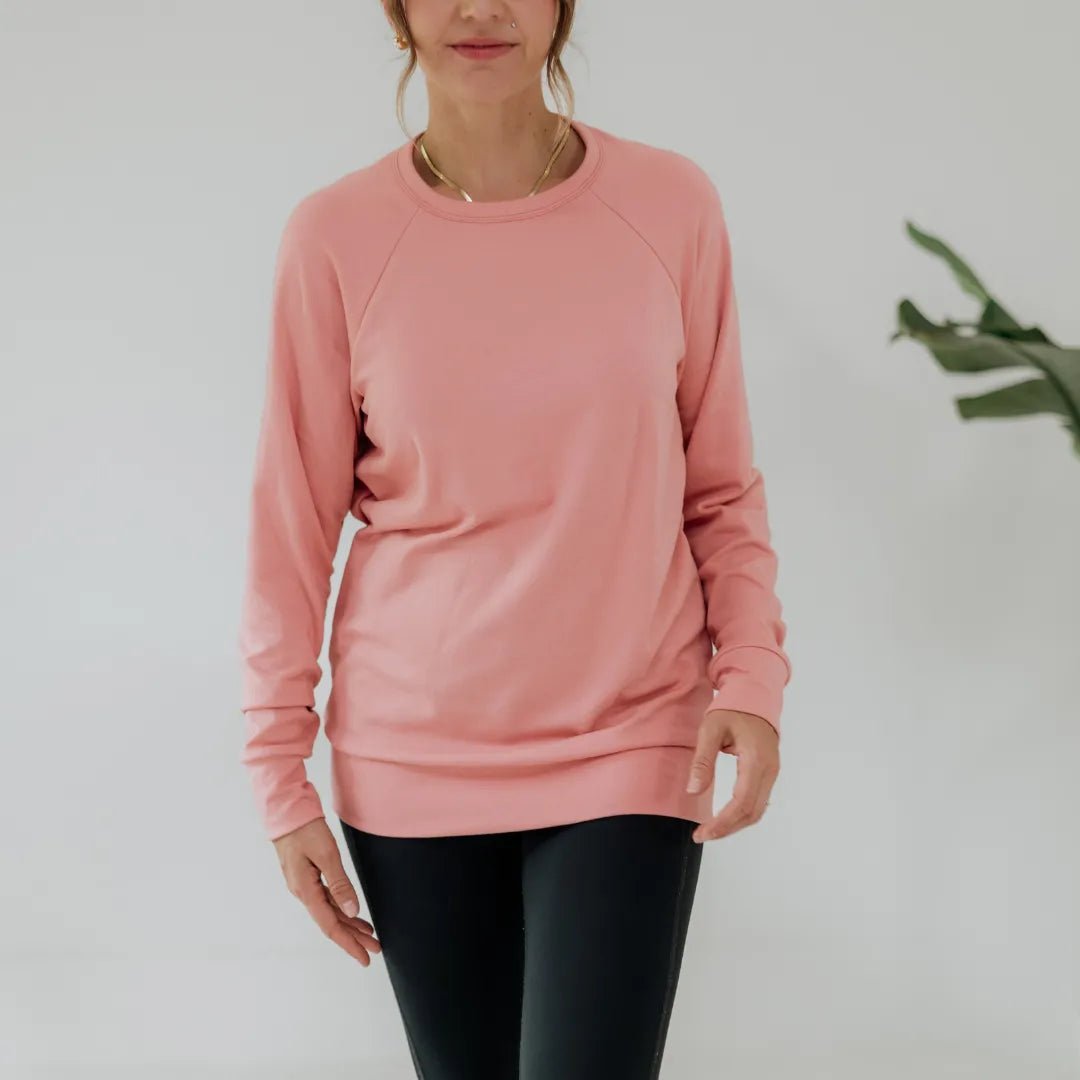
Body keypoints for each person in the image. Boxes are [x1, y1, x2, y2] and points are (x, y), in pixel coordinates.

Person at [236, 2, 792, 1076]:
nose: (481, 8)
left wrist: (753, 676)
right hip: (411, 754)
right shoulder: (336, 237)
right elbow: (288, 527)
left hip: (632, 737)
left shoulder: (668, 205)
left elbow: (720, 485)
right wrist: (277, 774)